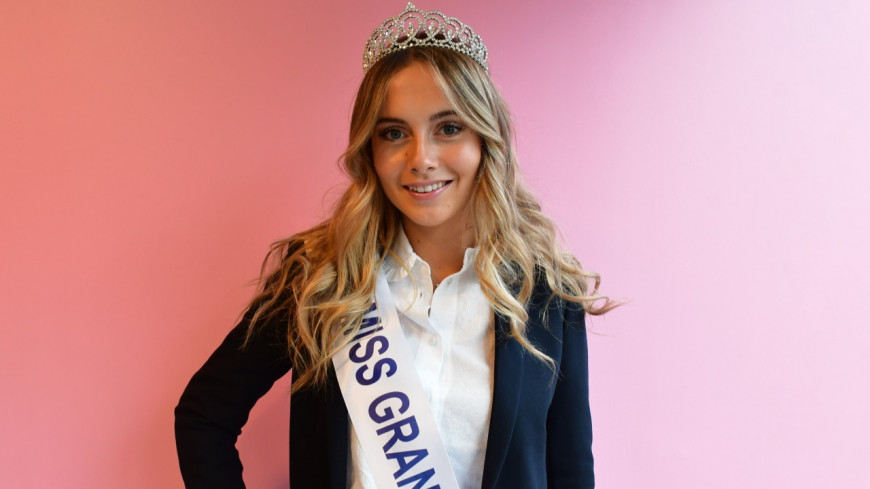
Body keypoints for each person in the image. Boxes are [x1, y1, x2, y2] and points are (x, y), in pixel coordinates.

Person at [175, 3, 618, 489]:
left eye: (448, 128)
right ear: (370, 149)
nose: (420, 158)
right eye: (393, 133)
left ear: (485, 140)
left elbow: (571, 470)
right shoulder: (321, 279)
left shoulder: (546, 291)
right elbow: (204, 415)